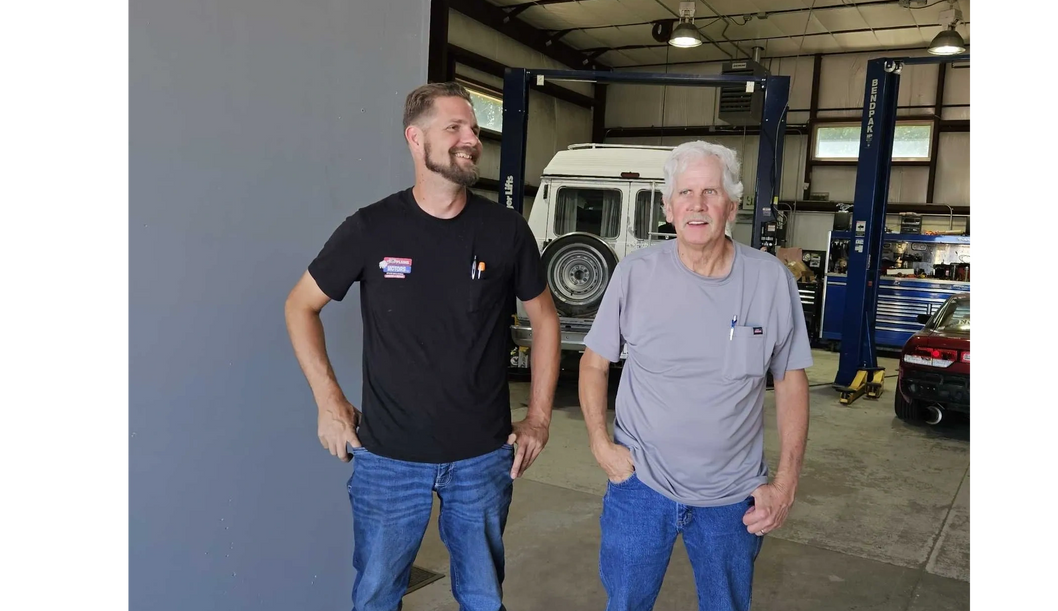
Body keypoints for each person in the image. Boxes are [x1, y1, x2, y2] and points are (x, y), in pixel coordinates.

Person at [284, 82, 561, 611]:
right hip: (388, 459)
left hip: (482, 458)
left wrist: (540, 418)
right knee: (376, 597)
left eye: (474, 129)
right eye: (454, 127)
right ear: (415, 138)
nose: (470, 139)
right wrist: (328, 401)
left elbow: (545, 320)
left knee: (482, 598)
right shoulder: (371, 228)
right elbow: (300, 306)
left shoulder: (504, 230)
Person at [578, 140, 813, 611]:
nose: (697, 205)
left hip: (733, 498)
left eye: (710, 191)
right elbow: (594, 362)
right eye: (685, 193)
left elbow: (790, 381)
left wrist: (785, 483)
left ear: (733, 204)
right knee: (625, 604)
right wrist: (601, 444)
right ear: (668, 207)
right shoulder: (635, 273)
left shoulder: (770, 280)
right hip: (641, 487)